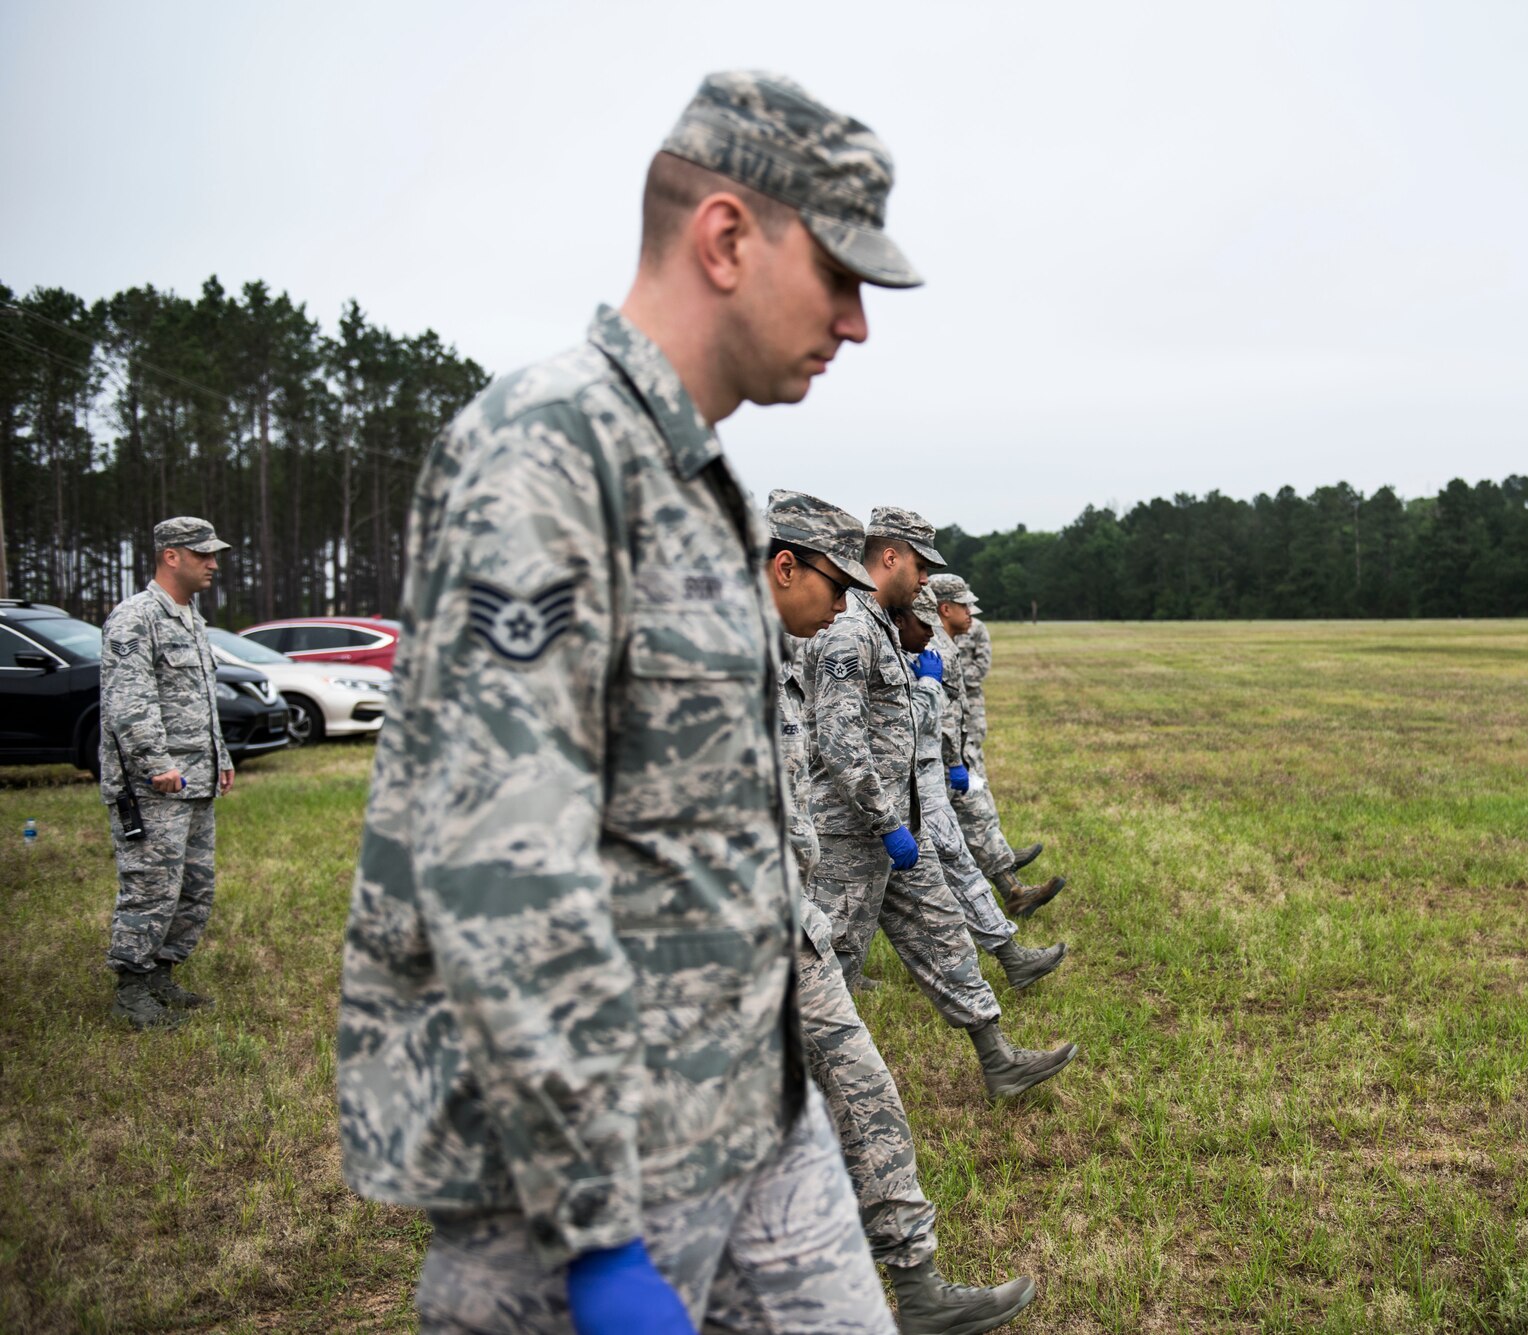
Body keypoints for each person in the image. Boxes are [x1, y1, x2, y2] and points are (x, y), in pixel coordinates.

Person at [338, 71, 923, 1335]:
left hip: (749, 1100)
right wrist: (596, 1237)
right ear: (726, 238)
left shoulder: (688, 467)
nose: (856, 323)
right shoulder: (546, 455)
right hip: (594, 1163)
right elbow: (501, 862)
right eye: (839, 275)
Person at [764, 489, 1035, 1334]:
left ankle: (915, 1287)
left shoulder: (789, 645)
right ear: (784, 565)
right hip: (744, 920)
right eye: (829, 581)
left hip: (787, 911)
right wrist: (885, 819)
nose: (841, 599)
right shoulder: (704, 655)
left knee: (858, 1076)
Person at [800, 506, 1074, 1100]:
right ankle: (797, 1104)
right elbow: (841, 743)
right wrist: (885, 821)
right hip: (855, 834)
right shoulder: (850, 629)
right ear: (890, 556)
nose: (925, 580)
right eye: (921, 565)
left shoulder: (881, 625)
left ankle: (997, 1058)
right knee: (832, 971)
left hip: (899, 828)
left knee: (944, 929)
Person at [889, 587, 1065, 989]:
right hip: (900, 783)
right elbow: (909, 722)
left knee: (949, 868)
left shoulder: (925, 645)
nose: (969, 613)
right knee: (863, 897)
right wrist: (951, 756)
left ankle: (1007, 943)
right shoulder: (869, 640)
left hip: (922, 773)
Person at [98, 516, 236, 1029]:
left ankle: (161, 973)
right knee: (151, 885)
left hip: (196, 780)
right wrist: (155, 765)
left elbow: (200, 699)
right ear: (170, 555)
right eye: (202, 554)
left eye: (213, 554)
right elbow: (128, 701)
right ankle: (131, 987)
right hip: (155, 785)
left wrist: (219, 755)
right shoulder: (136, 617)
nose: (212, 563)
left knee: (194, 887)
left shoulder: (191, 617)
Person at [929, 575, 1064, 920]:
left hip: (957, 751)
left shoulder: (947, 643)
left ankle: (1011, 886)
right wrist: (952, 758)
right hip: (938, 758)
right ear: (945, 608)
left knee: (976, 810)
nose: (971, 612)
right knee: (960, 826)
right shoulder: (930, 646)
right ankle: (1006, 888)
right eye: (963, 605)